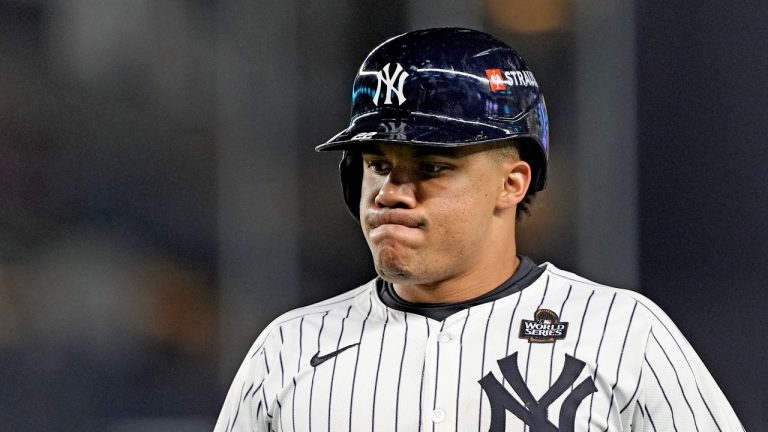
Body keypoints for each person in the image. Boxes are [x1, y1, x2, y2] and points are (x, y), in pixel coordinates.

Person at [214, 28, 744, 432]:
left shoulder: (624, 333)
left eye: (432, 167)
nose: (391, 191)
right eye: (377, 164)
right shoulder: (288, 350)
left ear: (512, 183)